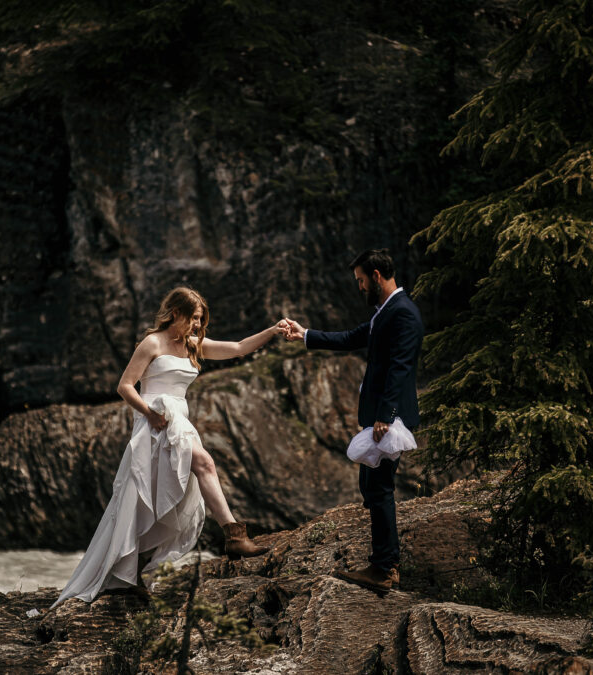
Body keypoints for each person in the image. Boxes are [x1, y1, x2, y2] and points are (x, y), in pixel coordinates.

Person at [52, 287, 283, 607]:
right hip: (154, 421)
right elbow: (124, 386)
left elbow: (238, 347)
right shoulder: (152, 343)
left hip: (178, 420)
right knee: (190, 471)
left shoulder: (192, 345)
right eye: (193, 318)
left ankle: (135, 571)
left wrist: (272, 331)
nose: (197, 326)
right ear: (175, 313)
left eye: (201, 320)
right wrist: (150, 414)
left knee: (168, 490)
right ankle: (234, 535)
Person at [282, 248, 424, 594]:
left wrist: (385, 416)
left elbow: (400, 367)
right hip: (382, 418)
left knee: (379, 489)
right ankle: (383, 562)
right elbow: (350, 338)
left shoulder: (402, 313)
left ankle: (385, 567)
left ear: (376, 275)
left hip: (390, 421)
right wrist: (304, 334)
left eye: (361, 280)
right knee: (372, 487)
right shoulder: (385, 313)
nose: (359, 287)